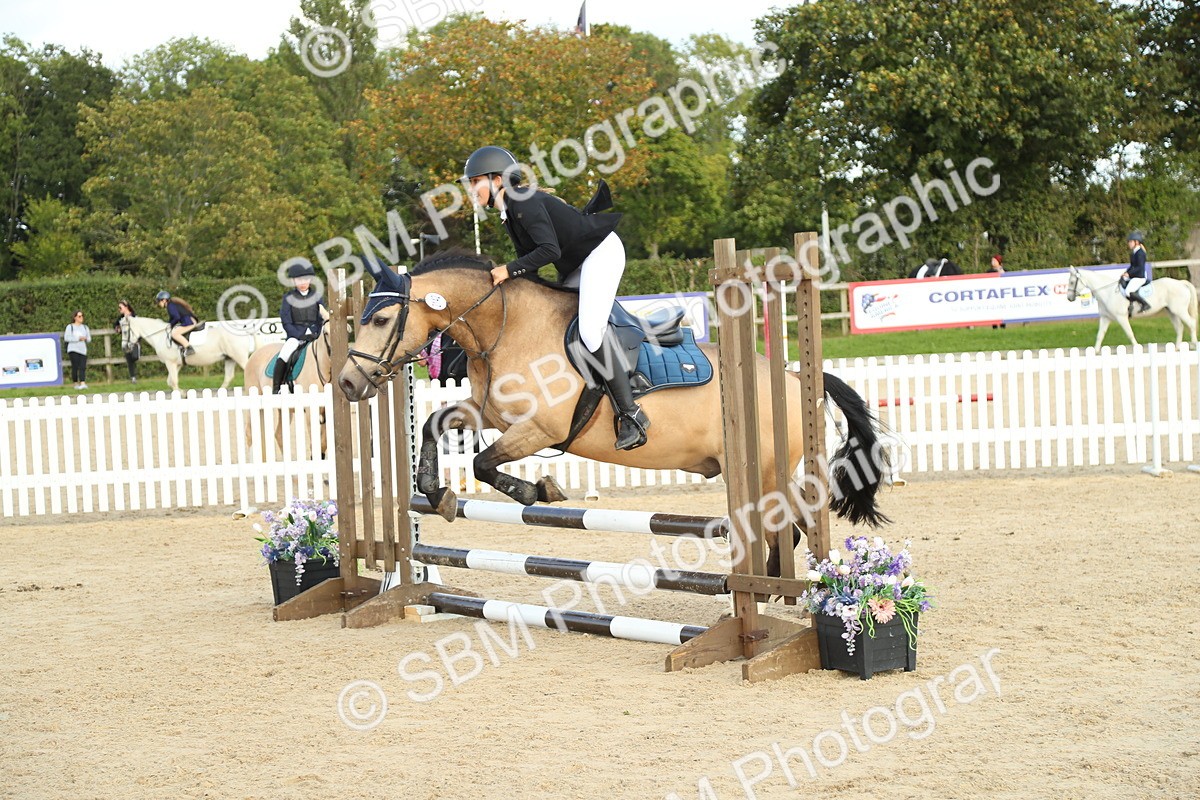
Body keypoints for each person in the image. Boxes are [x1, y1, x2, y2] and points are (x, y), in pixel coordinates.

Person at [464, 145, 649, 450]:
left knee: (590, 331)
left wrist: (508, 270)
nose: (472, 189)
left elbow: (549, 251)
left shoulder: (523, 202)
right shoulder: (510, 211)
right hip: (578, 262)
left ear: (497, 180)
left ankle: (632, 415)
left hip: (601, 252)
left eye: (475, 181)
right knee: (565, 323)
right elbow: (530, 259)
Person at [274, 260, 327, 394]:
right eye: (299, 280)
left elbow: (322, 317)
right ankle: (278, 388)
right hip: (295, 337)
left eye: (305, 279)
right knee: (284, 354)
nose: (302, 282)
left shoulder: (317, 296)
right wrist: (299, 335)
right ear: (293, 281)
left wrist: (316, 333)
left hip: (315, 335)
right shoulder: (288, 298)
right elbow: (286, 322)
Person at [155, 291, 199, 355]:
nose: (158, 303)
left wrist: (171, 325)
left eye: (159, 301)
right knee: (175, 329)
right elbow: (173, 318)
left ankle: (189, 348)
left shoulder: (170, 306)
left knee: (174, 333)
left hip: (189, 322)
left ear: (164, 300)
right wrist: (168, 324)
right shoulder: (171, 305)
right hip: (188, 321)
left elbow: (177, 317)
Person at [1121, 230, 1152, 315]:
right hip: (1134, 276)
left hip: (1139, 277)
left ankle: (1145, 304)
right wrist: (1126, 273)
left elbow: (1139, 267)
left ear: (1136, 242)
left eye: (1130, 242)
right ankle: (1130, 306)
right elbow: (1132, 266)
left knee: (1128, 292)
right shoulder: (1134, 253)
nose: (1129, 244)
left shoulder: (1140, 253)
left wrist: (1129, 274)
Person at [63, 310, 92, 390]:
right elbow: (67, 338)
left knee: (82, 367)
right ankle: (75, 383)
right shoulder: (70, 327)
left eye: (82, 316)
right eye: (79, 316)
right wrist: (78, 338)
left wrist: (85, 338)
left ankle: (83, 383)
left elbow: (89, 338)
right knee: (75, 367)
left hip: (83, 349)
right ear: (75, 317)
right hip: (73, 349)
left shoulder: (85, 327)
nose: (81, 318)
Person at [113, 299, 140, 383]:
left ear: (126, 307)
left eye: (120, 307)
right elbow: (115, 325)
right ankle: (133, 377)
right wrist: (117, 329)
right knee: (129, 359)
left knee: (135, 357)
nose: (119, 309)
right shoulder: (120, 318)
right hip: (125, 341)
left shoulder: (134, 316)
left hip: (134, 340)